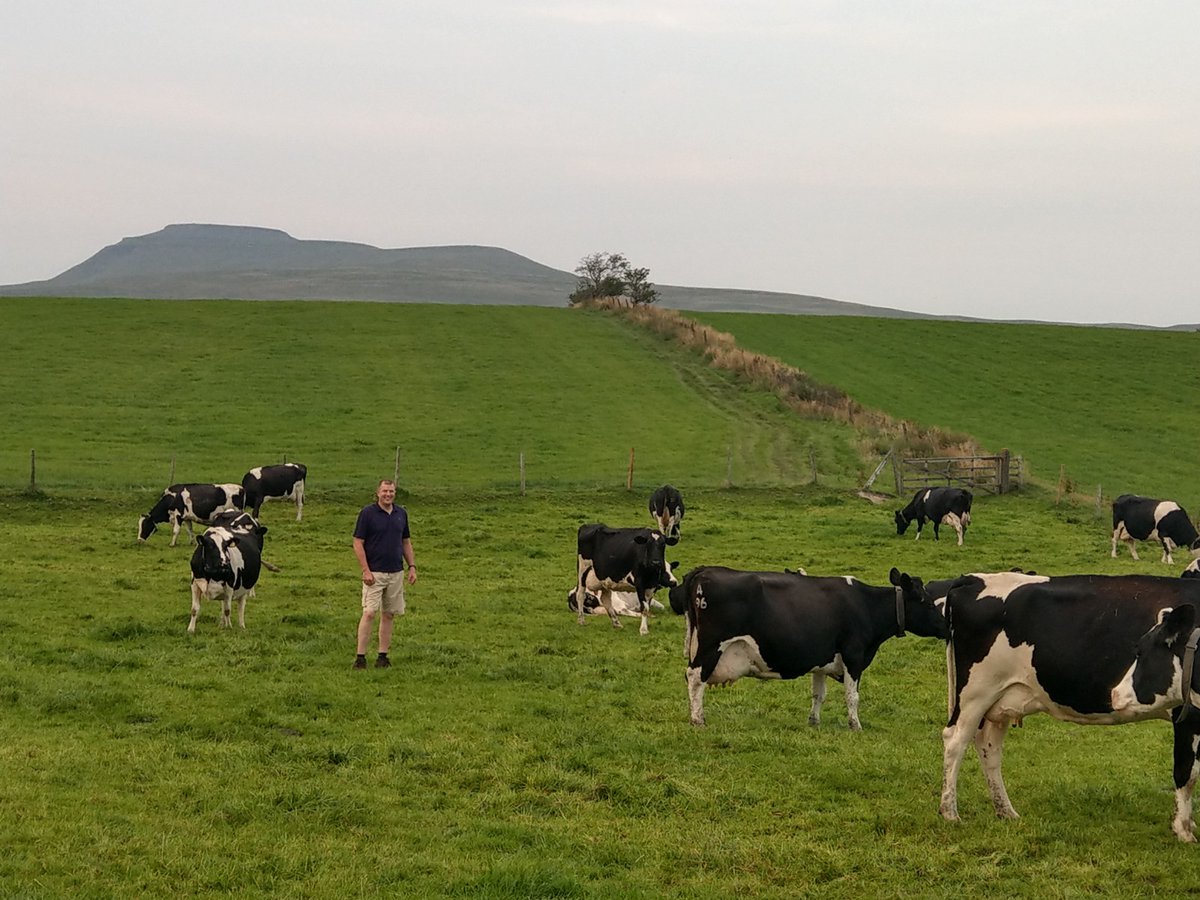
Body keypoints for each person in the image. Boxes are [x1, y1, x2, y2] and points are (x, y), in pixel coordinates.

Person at [352, 479, 417, 669]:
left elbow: (406, 541)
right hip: (374, 572)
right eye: (385, 491)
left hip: (396, 572)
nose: (388, 495)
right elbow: (357, 542)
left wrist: (411, 566)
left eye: (391, 491)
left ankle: (383, 656)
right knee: (370, 612)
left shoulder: (401, 514)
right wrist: (365, 569)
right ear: (377, 493)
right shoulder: (368, 514)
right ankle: (360, 657)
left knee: (389, 614)